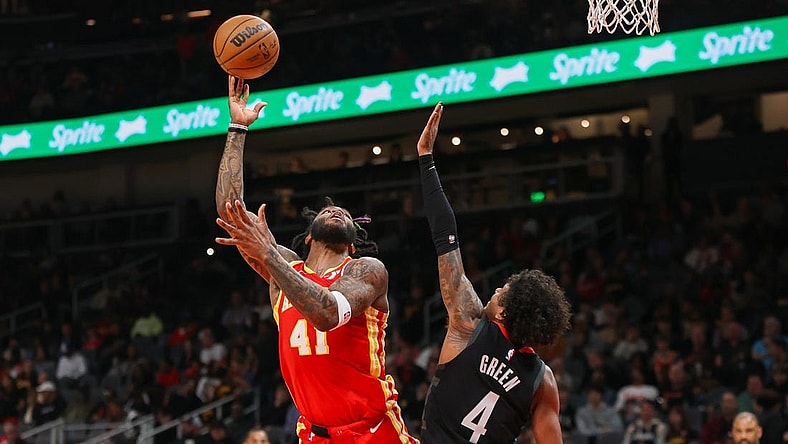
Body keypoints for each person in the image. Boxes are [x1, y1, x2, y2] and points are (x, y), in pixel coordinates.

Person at [214, 75, 416, 443]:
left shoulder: (365, 270)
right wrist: (237, 128)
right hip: (314, 434)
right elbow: (232, 215)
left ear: (353, 244)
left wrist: (269, 258)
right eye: (327, 210)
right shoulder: (285, 269)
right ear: (308, 235)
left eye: (345, 213)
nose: (337, 210)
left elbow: (325, 314)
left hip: (371, 431)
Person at [415, 103, 572, 444]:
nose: (496, 289)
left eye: (503, 290)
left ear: (504, 311)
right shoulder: (542, 381)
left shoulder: (469, 323)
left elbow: (446, 235)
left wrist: (426, 159)